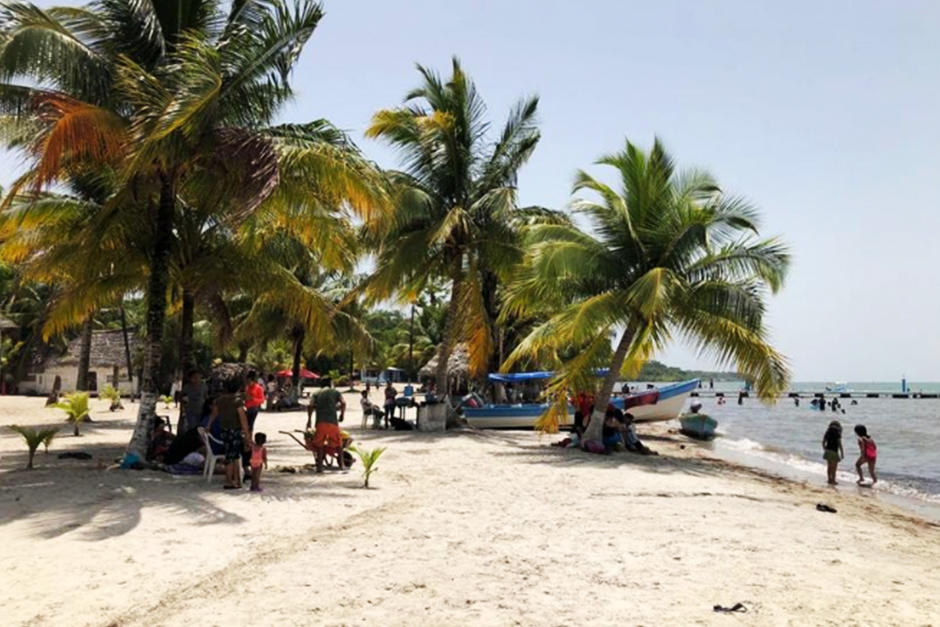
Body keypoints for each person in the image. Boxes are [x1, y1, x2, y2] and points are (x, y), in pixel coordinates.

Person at [206, 378, 251, 490]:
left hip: (224, 430)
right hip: (235, 430)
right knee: (233, 456)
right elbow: (243, 418)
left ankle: (235, 479)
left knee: (231, 454)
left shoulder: (220, 400)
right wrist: (247, 434)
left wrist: (208, 425)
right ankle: (230, 480)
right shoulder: (237, 402)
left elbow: (214, 413)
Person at [306, 379, 347, 472]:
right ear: (330, 384)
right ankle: (342, 465)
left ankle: (320, 467)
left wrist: (309, 420)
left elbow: (310, 405)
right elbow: (343, 403)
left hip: (320, 422)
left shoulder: (316, 393)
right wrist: (342, 414)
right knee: (339, 444)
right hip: (333, 422)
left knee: (319, 445)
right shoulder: (335, 392)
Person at [242, 371, 266, 477]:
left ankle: (249, 439)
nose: (248, 383)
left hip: (253, 407)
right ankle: (247, 438)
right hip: (246, 407)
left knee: (250, 425)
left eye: (249, 381)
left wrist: (252, 399)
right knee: (246, 424)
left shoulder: (258, 388)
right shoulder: (246, 388)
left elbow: (262, 399)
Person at [822, 420, 844, 485]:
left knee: (829, 466)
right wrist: (842, 453)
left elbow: (823, 442)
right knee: (834, 468)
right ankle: (833, 480)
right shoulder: (837, 433)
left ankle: (829, 479)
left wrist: (824, 449)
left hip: (828, 451)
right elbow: (840, 445)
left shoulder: (827, 432)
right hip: (834, 452)